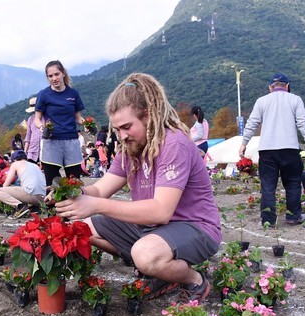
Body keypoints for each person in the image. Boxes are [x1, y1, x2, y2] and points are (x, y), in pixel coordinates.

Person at [55, 73, 221, 303]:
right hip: (152, 229)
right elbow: (101, 189)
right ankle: (160, 272)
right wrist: (73, 193)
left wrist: (95, 205)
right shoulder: (130, 148)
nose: (122, 136)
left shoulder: (173, 143)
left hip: (194, 227)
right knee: (82, 227)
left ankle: (194, 280)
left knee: (144, 254)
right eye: (117, 129)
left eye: (127, 127)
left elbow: (161, 211)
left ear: (149, 115)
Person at [239, 73, 305, 226]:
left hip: (267, 150)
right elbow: (303, 122)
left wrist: (244, 143)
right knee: (293, 184)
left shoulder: (261, 101)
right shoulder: (295, 99)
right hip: (290, 148)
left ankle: (268, 220)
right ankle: (293, 217)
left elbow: (252, 123)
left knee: (268, 186)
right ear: (287, 86)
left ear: (270, 87)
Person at [34, 60, 85, 186]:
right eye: (50, 76)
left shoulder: (73, 94)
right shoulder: (43, 94)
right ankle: (52, 206)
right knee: (52, 184)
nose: (54, 78)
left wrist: (87, 124)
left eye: (56, 74)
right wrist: (42, 127)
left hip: (71, 141)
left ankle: (75, 205)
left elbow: (78, 118)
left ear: (63, 73)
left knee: (74, 181)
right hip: (51, 141)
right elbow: (37, 119)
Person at [0, 150, 46, 219]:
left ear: (14, 159)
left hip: (32, 194)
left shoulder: (15, 164)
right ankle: (36, 207)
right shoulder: (34, 165)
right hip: (43, 197)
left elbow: (5, 185)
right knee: (25, 187)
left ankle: (21, 207)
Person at [23, 97, 42, 164]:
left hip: (44, 150)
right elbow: (28, 136)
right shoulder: (30, 119)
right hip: (32, 150)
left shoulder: (46, 118)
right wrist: (25, 151)